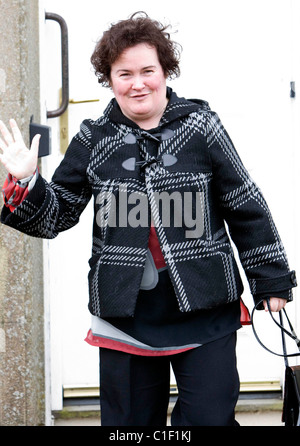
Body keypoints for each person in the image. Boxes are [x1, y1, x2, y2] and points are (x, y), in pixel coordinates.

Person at [0, 12, 297, 426]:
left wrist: (271, 280)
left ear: (164, 71)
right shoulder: (93, 138)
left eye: (147, 71)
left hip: (205, 307)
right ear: (110, 78)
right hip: (126, 315)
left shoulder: (201, 126)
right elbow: (57, 215)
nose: (137, 83)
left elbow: (244, 203)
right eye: (124, 73)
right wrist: (28, 181)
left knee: (209, 420)